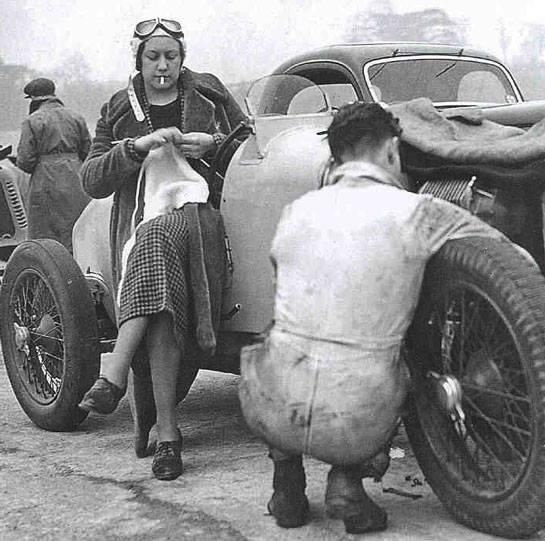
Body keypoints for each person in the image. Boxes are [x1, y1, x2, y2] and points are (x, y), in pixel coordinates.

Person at [239, 102, 509, 534]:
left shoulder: (296, 212)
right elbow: (505, 258)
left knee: (282, 335)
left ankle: (286, 486)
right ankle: (348, 482)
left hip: (267, 405)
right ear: (391, 153)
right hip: (357, 420)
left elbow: (284, 287)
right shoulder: (418, 211)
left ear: (333, 160)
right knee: (406, 358)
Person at [79, 17, 247, 481]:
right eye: (153, 56)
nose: (163, 66)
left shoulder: (209, 93)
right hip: (138, 220)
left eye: (171, 56)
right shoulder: (118, 108)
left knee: (153, 243)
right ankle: (169, 440)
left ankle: (112, 377)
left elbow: (249, 143)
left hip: (199, 218)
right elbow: (91, 179)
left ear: (182, 57)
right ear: (138, 58)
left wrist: (213, 144)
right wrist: (133, 148)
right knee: (159, 301)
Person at [16, 77, 91, 253]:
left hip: (45, 183)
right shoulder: (76, 117)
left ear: (34, 98)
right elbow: (88, 151)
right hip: (76, 180)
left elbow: (25, 160)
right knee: (76, 230)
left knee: (45, 237)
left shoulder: (32, 121)